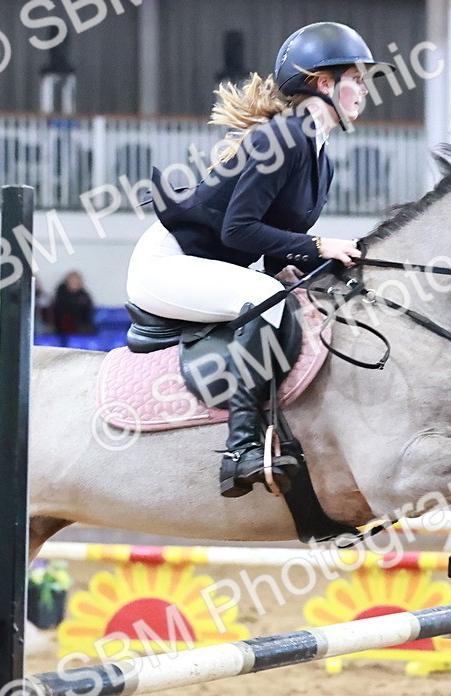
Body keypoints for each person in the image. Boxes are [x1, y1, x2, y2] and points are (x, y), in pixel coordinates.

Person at [126, 22, 389, 498]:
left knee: (285, 291)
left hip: (208, 264)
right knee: (266, 297)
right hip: (165, 263)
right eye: (358, 79)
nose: (364, 92)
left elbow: (268, 235)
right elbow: (237, 229)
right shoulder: (282, 138)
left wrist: (286, 263)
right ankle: (240, 448)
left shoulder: (319, 155)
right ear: (324, 83)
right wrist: (316, 246)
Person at [51, 270, 96, 335]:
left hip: (81, 324)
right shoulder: (61, 294)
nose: (74, 283)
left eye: (76, 281)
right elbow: (60, 310)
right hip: (62, 325)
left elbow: (88, 311)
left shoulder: (84, 295)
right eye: (72, 281)